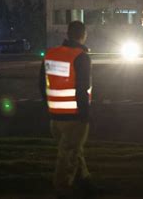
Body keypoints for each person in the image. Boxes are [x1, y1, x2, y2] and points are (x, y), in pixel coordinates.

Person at [40, 21, 95, 199]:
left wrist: (51, 105)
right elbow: (82, 88)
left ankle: (84, 181)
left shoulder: (51, 54)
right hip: (74, 116)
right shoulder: (81, 57)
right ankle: (62, 189)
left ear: (68, 33)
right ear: (83, 35)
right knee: (69, 155)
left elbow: (42, 84)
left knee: (72, 150)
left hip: (55, 117)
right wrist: (85, 115)